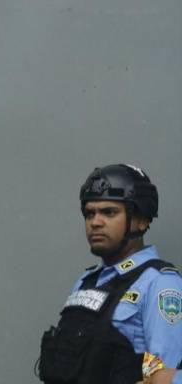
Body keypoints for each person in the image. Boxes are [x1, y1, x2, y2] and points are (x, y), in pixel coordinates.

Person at [39, 164, 182, 384]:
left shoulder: (159, 284)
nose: (95, 222)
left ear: (141, 220)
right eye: (90, 213)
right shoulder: (87, 281)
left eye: (109, 212)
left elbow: (163, 376)